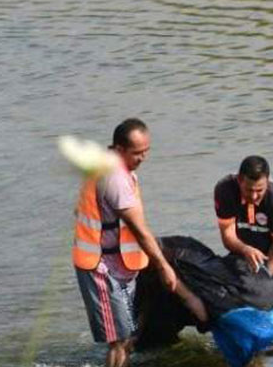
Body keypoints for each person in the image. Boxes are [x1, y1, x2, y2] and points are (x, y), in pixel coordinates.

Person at [72, 118, 207, 367]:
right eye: (137, 153)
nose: (143, 158)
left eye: (146, 151)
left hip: (119, 263)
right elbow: (139, 230)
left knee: (129, 336)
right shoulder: (114, 178)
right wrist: (163, 266)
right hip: (100, 267)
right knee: (119, 340)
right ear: (119, 149)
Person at [214, 155, 273, 344]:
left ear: (267, 183)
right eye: (249, 190)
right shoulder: (225, 191)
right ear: (240, 180)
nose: (254, 196)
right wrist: (245, 249)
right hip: (246, 253)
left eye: (259, 191)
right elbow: (227, 236)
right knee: (250, 320)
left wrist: (263, 283)